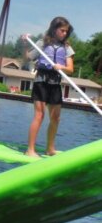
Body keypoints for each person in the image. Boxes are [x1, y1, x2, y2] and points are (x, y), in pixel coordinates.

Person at [22, 16, 74, 157]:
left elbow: (70, 69)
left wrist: (61, 66)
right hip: (41, 81)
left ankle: (50, 149)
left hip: (55, 83)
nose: (64, 33)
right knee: (39, 115)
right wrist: (25, 43)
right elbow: (28, 57)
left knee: (55, 117)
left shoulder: (67, 47)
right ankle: (30, 150)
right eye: (62, 30)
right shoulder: (42, 43)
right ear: (54, 29)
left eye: (66, 31)